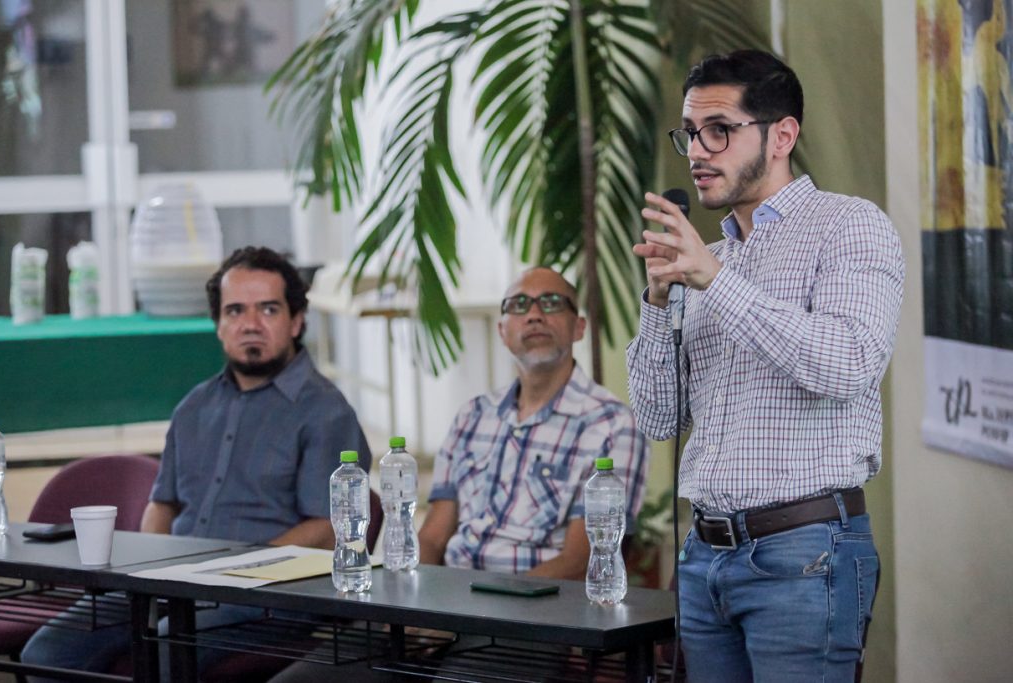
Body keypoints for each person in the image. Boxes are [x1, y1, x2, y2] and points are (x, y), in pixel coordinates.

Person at [626, 49, 905, 683]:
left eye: (719, 130)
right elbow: (660, 418)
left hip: (804, 553)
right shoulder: (711, 258)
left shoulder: (849, 227)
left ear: (782, 136)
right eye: (690, 132)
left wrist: (714, 282)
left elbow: (848, 363)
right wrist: (658, 301)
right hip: (704, 557)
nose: (698, 151)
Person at [270, 266, 650, 682]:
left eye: (551, 303)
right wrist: (415, 607)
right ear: (503, 331)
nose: (534, 314)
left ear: (578, 327)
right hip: (448, 602)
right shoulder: (473, 415)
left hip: (536, 618)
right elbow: (433, 536)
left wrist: (467, 612)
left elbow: (579, 562)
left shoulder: (611, 425)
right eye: (519, 305)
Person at [22, 246, 373, 681]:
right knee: (46, 651)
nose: (250, 324)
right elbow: (162, 506)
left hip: (271, 594)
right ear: (219, 324)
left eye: (268, 309)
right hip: (173, 581)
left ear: (297, 321)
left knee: (165, 651)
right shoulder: (194, 406)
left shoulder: (325, 412)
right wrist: (146, 574)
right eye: (235, 311)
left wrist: (240, 571)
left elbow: (327, 529)